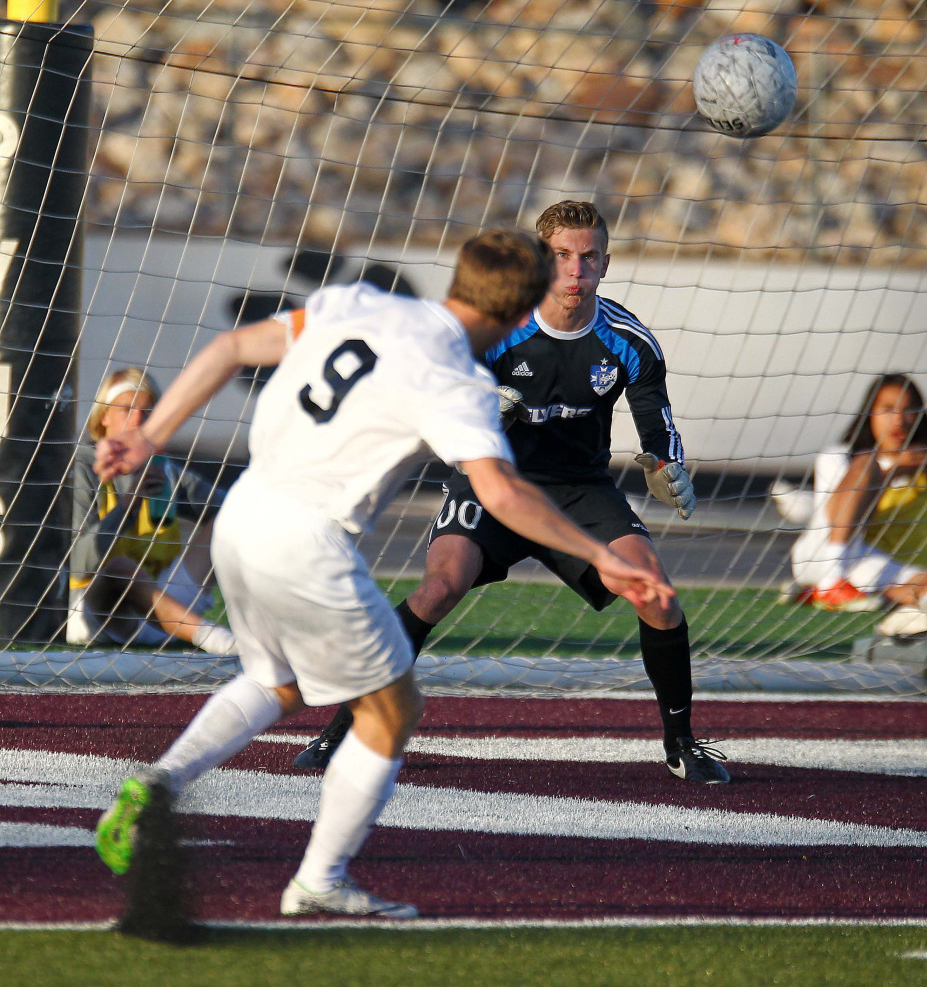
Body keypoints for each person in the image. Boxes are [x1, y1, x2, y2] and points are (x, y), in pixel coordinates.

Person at [93, 229, 674, 925]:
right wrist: (602, 553)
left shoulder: (359, 302)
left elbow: (229, 348)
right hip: (306, 541)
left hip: (245, 514)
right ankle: (318, 880)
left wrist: (149, 434)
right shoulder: (454, 380)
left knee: (276, 680)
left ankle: (157, 784)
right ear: (521, 314)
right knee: (393, 710)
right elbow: (502, 493)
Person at [295, 200, 730, 785]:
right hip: (491, 476)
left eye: (589, 258)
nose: (576, 271)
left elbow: (658, 439)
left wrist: (665, 469)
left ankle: (682, 744)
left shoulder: (632, 343)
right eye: (562, 257)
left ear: (606, 263)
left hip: (579, 489)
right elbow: (430, 402)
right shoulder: (497, 328)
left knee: (656, 593)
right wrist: (475, 403)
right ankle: (342, 730)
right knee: (439, 586)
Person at [787, 372, 927, 613]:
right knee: (867, 463)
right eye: (887, 409)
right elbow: (837, 519)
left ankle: (853, 597)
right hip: (824, 558)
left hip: (875, 565)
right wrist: (894, 472)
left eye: (908, 410)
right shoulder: (840, 458)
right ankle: (831, 583)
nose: (899, 421)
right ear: (870, 414)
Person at [69, 367, 236, 655]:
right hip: (97, 612)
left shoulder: (163, 469)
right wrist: (125, 508)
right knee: (120, 568)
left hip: (161, 613)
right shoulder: (83, 466)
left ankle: (266, 622)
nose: (138, 420)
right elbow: (79, 562)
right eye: (127, 409)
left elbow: (228, 506)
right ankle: (212, 637)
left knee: (232, 517)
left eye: (147, 413)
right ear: (103, 417)